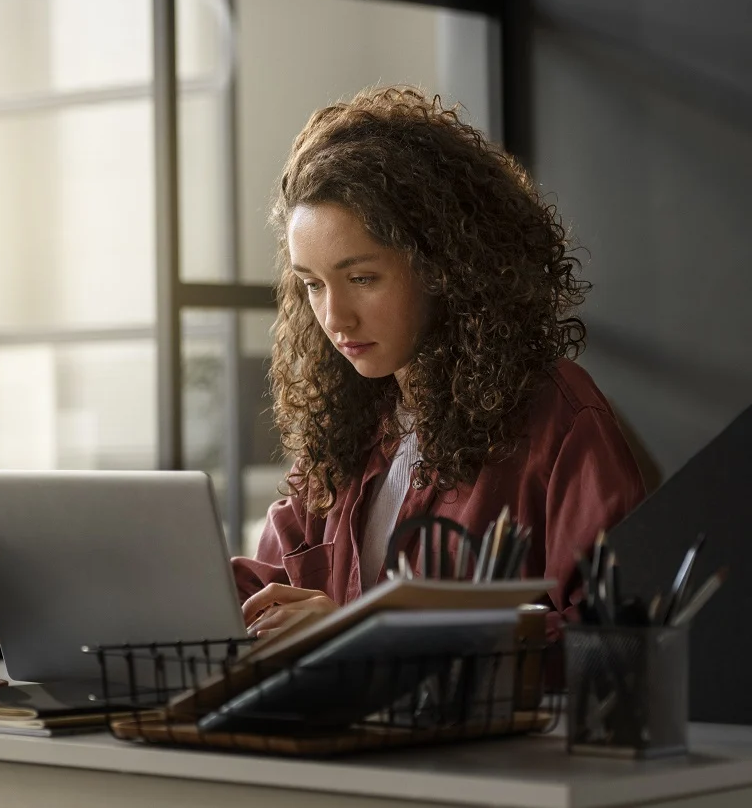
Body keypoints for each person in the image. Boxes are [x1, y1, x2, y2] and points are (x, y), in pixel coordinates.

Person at [235, 86, 646, 641]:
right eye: (312, 284)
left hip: (497, 731)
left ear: (443, 265)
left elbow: (609, 631)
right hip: (345, 727)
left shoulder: (559, 421)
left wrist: (375, 633)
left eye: (362, 279)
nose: (335, 318)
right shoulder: (346, 430)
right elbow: (272, 586)